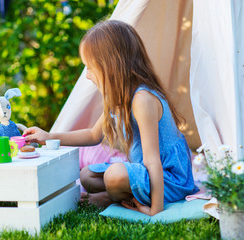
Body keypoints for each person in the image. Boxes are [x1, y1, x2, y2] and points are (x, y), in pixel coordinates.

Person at [23, 20, 198, 216]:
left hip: (169, 179)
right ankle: (117, 196)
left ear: (110, 65)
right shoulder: (118, 99)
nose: (87, 76)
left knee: (114, 176)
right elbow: (92, 135)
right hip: (146, 172)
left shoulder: (142, 100)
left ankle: (109, 198)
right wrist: (48, 136)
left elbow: (152, 161)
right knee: (87, 175)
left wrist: (155, 211)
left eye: (89, 67)